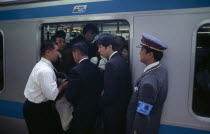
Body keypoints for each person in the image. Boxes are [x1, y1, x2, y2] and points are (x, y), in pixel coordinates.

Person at [23, 41, 68, 134]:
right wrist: (63, 85)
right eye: (56, 50)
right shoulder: (45, 71)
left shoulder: (42, 64)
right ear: (48, 52)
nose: (58, 53)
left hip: (34, 106)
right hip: (37, 110)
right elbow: (52, 95)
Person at [127, 33, 168, 134]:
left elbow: (143, 114)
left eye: (142, 50)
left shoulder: (148, 83)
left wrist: (136, 131)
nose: (139, 52)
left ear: (150, 54)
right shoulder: (162, 70)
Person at [97, 34, 131, 134]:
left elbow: (110, 94)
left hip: (112, 112)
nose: (99, 50)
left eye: (100, 47)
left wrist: (99, 103)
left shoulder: (111, 64)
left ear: (109, 47)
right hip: (121, 110)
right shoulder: (121, 60)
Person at [65, 41, 102, 134]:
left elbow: (70, 95)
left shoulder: (75, 71)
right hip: (95, 112)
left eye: (73, 54)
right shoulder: (96, 68)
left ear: (76, 53)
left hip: (80, 113)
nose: (73, 56)